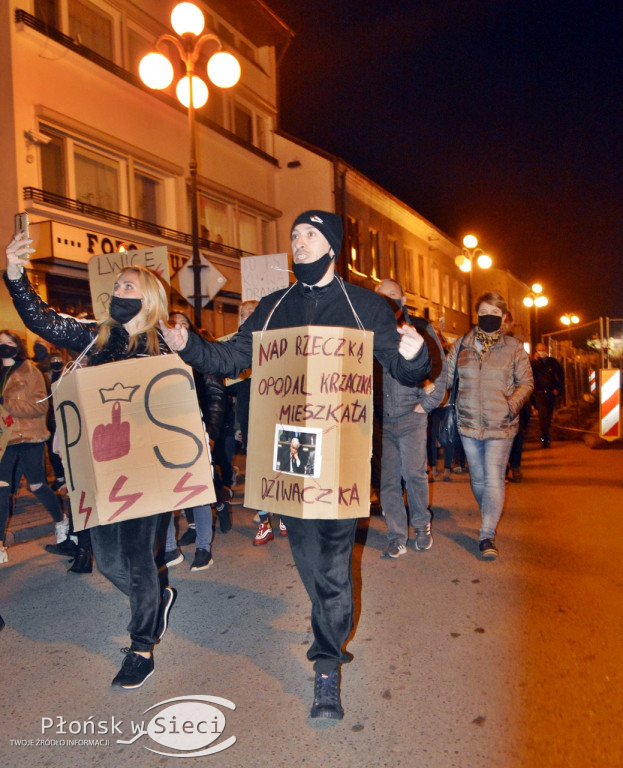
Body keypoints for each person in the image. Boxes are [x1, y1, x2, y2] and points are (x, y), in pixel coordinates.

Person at [161, 209, 430, 720]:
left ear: (331, 244)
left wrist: (417, 356)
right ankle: (329, 618)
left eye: (309, 234)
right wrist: (187, 346)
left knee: (331, 564)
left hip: (340, 452)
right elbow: (229, 357)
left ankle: (326, 664)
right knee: (308, 557)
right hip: (288, 455)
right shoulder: (272, 306)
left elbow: (403, 367)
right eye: (293, 235)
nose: (298, 242)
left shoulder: (365, 306)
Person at [4, 233, 176, 689]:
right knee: (109, 562)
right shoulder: (95, 338)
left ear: (149, 298)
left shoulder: (169, 347)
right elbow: (42, 319)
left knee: (140, 561)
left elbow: (193, 400)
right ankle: (155, 600)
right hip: (101, 468)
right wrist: (16, 276)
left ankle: (141, 646)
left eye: (128, 287)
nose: (117, 293)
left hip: (151, 468)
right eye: (115, 286)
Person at [446, 292, 533, 560]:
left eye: (496, 314)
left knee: (494, 477)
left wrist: (510, 405)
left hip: (501, 425)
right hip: (468, 423)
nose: (490, 317)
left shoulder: (513, 347)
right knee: (478, 478)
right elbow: (447, 378)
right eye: (485, 312)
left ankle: (486, 534)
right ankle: (489, 514)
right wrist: (424, 397)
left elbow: (526, 382)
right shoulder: (461, 344)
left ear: (503, 318)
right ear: (476, 314)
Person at [374, 278, 446, 558]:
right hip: (381, 420)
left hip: (410, 416)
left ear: (403, 300)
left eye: (392, 296)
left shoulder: (420, 329)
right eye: (381, 296)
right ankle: (396, 535)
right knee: (388, 480)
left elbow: (440, 369)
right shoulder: (369, 332)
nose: (387, 301)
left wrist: (426, 404)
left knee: (414, 474)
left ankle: (421, 525)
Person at [163, 310, 226, 571]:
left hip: (196, 432)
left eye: (183, 324)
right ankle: (168, 548)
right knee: (164, 494)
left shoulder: (202, 357)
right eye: (172, 325)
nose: (177, 328)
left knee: (197, 491)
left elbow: (215, 397)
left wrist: (210, 434)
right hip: (165, 435)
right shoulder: (158, 358)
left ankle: (203, 548)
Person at [0, 330, 68, 565]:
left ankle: (61, 521)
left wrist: (6, 403)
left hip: (30, 437)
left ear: (17, 346)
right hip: (4, 440)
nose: (4, 347)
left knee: (37, 484)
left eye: (9, 343)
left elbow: (40, 407)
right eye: (1, 344)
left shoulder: (30, 370)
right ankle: (0, 544)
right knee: (1, 489)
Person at [531, 342, 564, 448]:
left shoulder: (552, 362)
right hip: (539, 394)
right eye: (539, 350)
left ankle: (546, 436)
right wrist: (534, 361)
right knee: (543, 417)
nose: (541, 352)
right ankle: (545, 439)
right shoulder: (534, 364)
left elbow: (561, 376)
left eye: (543, 349)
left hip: (551, 393)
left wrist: (558, 389)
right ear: (536, 351)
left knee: (548, 417)